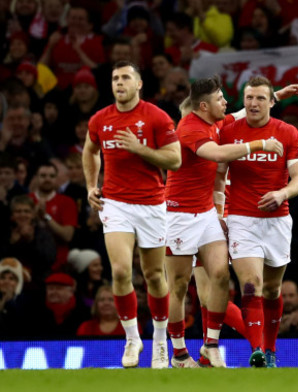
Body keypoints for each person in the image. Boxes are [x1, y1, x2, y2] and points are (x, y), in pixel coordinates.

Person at [164, 75, 283, 368]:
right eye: (220, 99)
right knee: (179, 287)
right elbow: (216, 154)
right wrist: (259, 144)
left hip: (208, 213)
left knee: (219, 277)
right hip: (179, 215)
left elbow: (242, 113)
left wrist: (276, 96)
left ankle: (212, 346)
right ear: (202, 107)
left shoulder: (215, 122)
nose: (226, 103)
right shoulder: (190, 128)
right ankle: (179, 353)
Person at [82, 60, 181, 368]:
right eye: (115, 78)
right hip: (116, 204)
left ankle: (160, 339)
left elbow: (175, 159)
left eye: (125, 77)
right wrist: (90, 185)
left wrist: (140, 149)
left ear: (139, 84)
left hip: (152, 204)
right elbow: (89, 150)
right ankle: (132, 338)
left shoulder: (156, 117)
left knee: (153, 275)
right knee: (122, 272)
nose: (119, 83)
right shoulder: (100, 119)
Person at [218, 76, 298, 368]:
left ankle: (270, 350)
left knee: (272, 290)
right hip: (242, 218)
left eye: (260, 98)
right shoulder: (229, 132)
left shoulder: (288, 133)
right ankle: (256, 350)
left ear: (271, 102)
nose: (253, 103)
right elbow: (218, 175)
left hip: (278, 220)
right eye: (249, 98)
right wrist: (220, 212)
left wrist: (282, 193)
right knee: (250, 286)